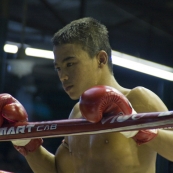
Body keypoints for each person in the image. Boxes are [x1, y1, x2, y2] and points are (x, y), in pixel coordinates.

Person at [0, 17, 173, 173]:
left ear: (101, 59)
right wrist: (26, 143)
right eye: (58, 68)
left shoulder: (138, 98)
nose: (63, 76)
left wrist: (136, 127)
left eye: (70, 64)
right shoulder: (77, 113)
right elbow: (57, 171)